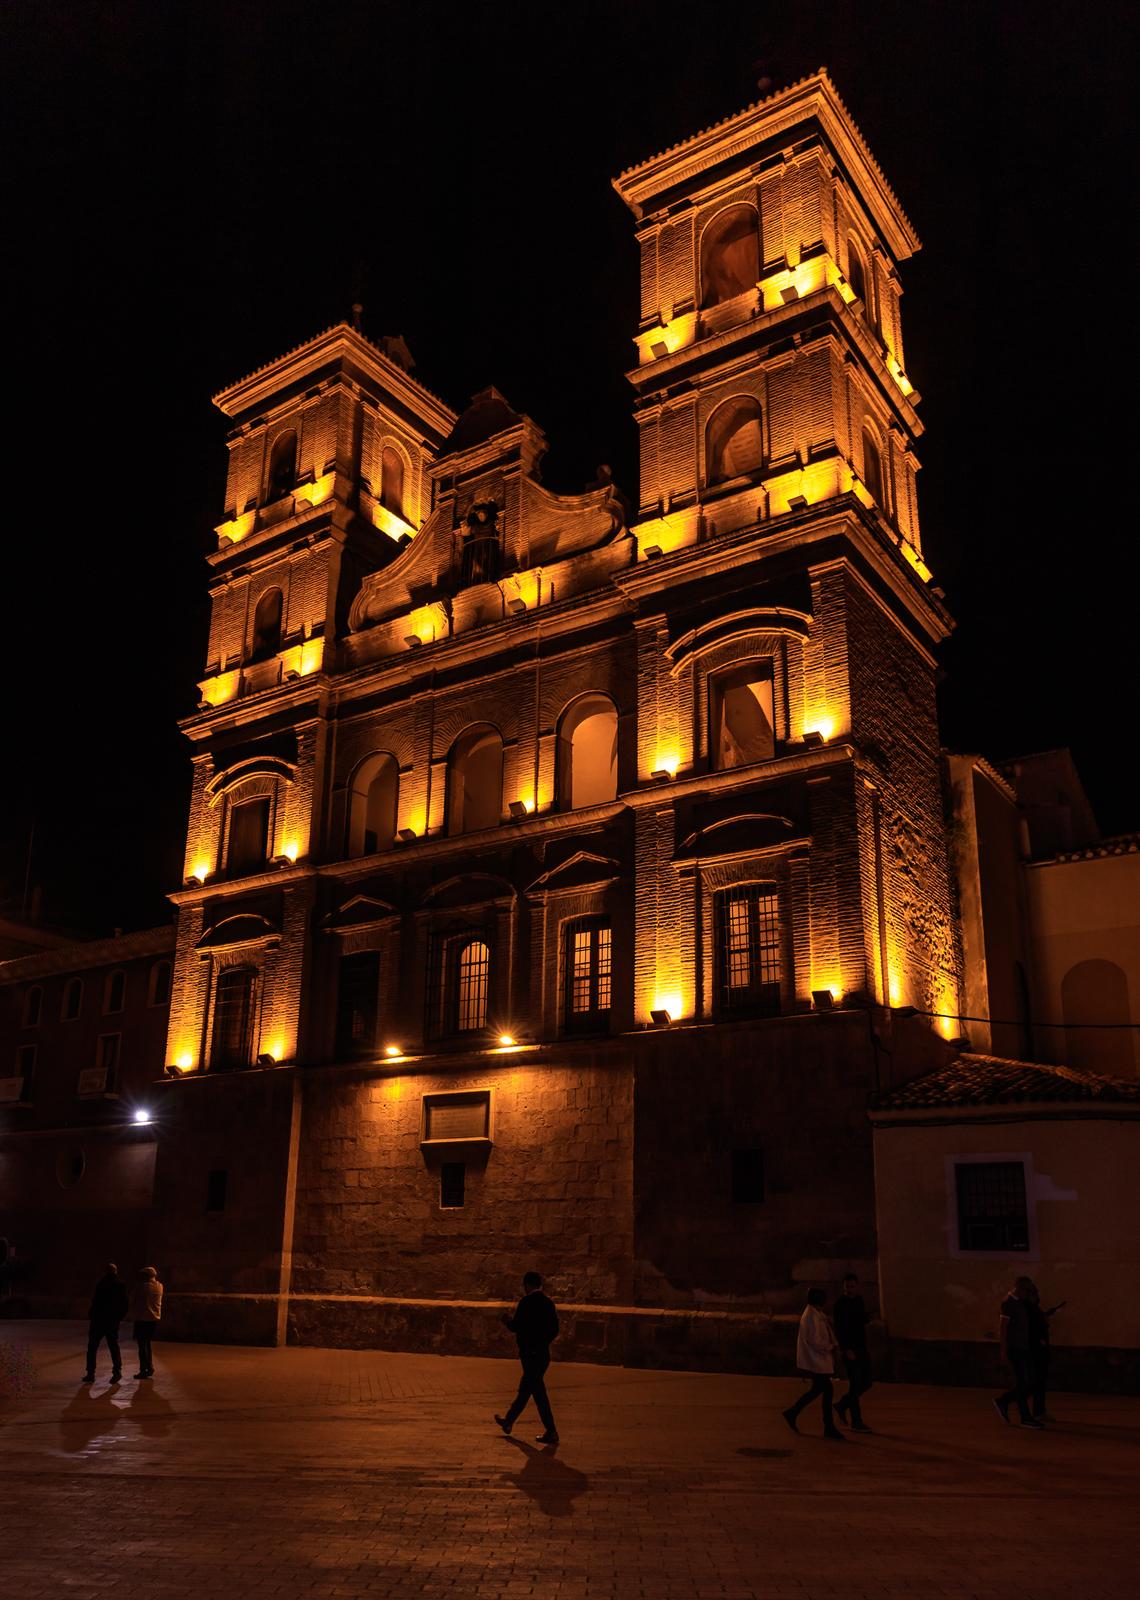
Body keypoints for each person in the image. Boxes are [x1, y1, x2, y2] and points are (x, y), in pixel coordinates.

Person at [494, 1271, 560, 1445]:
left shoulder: (526, 1302)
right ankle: (508, 1421)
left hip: (529, 1355)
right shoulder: (548, 1303)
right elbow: (555, 1329)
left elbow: (516, 1326)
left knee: (538, 1393)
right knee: (526, 1389)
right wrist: (543, 1342)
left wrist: (507, 1320)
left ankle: (552, 1431)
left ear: (528, 1285)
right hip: (543, 1354)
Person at [782, 1288, 844, 1440]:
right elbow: (815, 1340)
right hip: (817, 1360)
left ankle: (794, 1413)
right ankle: (827, 1426)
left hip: (818, 1360)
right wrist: (830, 1346)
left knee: (819, 1390)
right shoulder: (812, 1316)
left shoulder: (815, 1314)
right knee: (825, 1390)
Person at [994, 1275, 1044, 1429]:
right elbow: (1003, 1327)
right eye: (1027, 1290)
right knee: (1024, 1383)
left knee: (1028, 1382)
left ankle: (1009, 1404)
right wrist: (1003, 1350)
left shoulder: (1020, 1303)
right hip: (1015, 1348)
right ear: (1019, 1288)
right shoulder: (1009, 1303)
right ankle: (1020, 1413)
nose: (1028, 1293)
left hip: (1023, 1347)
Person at [833, 1272, 873, 1432]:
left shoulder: (859, 1300)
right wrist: (846, 1349)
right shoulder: (840, 1304)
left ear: (857, 1286)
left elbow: (861, 1320)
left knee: (867, 1382)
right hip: (850, 1349)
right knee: (855, 1384)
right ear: (844, 1287)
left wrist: (866, 1317)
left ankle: (842, 1404)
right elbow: (840, 1329)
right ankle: (856, 1421)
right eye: (847, 1286)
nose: (850, 1288)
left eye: (852, 1286)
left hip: (862, 1347)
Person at [83, 1263, 129, 1384]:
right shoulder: (121, 1285)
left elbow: (95, 1301)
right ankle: (117, 1371)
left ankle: (90, 1372)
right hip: (112, 1320)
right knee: (113, 1345)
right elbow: (124, 1303)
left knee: (92, 1346)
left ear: (106, 1271)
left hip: (98, 1319)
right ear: (116, 1271)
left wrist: (92, 1315)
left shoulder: (101, 1283)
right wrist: (119, 1317)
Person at [1026, 1282, 1065, 1422]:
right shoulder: (1029, 1310)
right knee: (1036, 1382)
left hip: (1040, 1349)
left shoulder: (1034, 1309)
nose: (1036, 1297)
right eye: (1033, 1294)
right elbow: (1033, 1328)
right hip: (1037, 1350)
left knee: (1039, 1382)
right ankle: (1034, 1410)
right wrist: (1039, 1340)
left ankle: (1039, 1410)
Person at [129, 1266, 163, 1379]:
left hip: (142, 1319)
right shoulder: (160, 1286)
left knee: (142, 1346)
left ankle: (143, 1369)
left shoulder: (141, 1287)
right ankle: (150, 1366)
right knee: (147, 1344)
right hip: (153, 1319)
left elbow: (132, 1298)